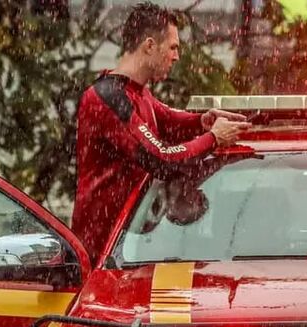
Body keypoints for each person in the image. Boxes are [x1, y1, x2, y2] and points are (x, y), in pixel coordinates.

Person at [72, 3, 251, 257]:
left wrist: (203, 121)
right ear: (149, 46)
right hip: (101, 255)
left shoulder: (136, 92)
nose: (176, 56)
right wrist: (213, 138)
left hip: (129, 249)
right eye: (173, 47)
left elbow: (167, 119)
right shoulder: (109, 97)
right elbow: (161, 158)